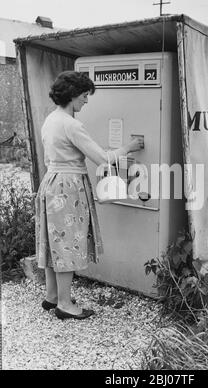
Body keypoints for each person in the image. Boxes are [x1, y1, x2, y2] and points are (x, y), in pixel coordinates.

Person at [35, 71, 143, 320]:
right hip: (68, 187)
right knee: (68, 245)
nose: (86, 101)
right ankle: (65, 304)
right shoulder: (71, 124)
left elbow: (48, 159)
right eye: (84, 96)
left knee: (54, 243)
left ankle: (52, 296)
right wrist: (129, 147)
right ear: (72, 95)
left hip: (51, 182)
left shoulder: (50, 120)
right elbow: (102, 159)